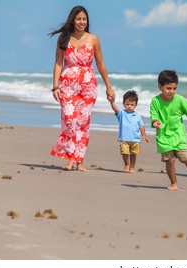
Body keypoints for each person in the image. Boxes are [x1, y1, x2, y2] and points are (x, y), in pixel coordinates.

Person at [49, 6, 115, 172]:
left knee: (83, 123)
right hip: (67, 85)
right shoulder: (64, 39)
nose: (81, 22)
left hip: (88, 86)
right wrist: (55, 86)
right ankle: (71, 157)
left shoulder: (93, 39)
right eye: (78, 19)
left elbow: (100, 63)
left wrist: (109, 86)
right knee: (69, 120)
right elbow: (58, 63)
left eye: (84, 19)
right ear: (73, 20)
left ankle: (79, 161)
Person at [150, 70, 187, 191]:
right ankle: (174, 182)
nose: (171, 91)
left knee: (183, 157)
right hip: (163, 136)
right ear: (160, 87)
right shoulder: (155, 101)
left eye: (174, 88)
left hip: (178, 134)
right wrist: (155, 121)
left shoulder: (179, 100)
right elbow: (153, 114)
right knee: (170, 160)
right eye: (168, 88)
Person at [109, 90, 149, 173]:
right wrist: (112, 102)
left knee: (133, 154)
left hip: (135, 139)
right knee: (125, 153)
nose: (129, 106)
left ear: (135, 105)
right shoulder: (122, 113)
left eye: (132, 105)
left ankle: (132, 167)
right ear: (124, 104)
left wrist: (144, 135)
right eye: (127, 104)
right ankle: (127, 164)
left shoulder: (137, 116)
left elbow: (141, 126)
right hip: (124, 139)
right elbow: (115, 109)